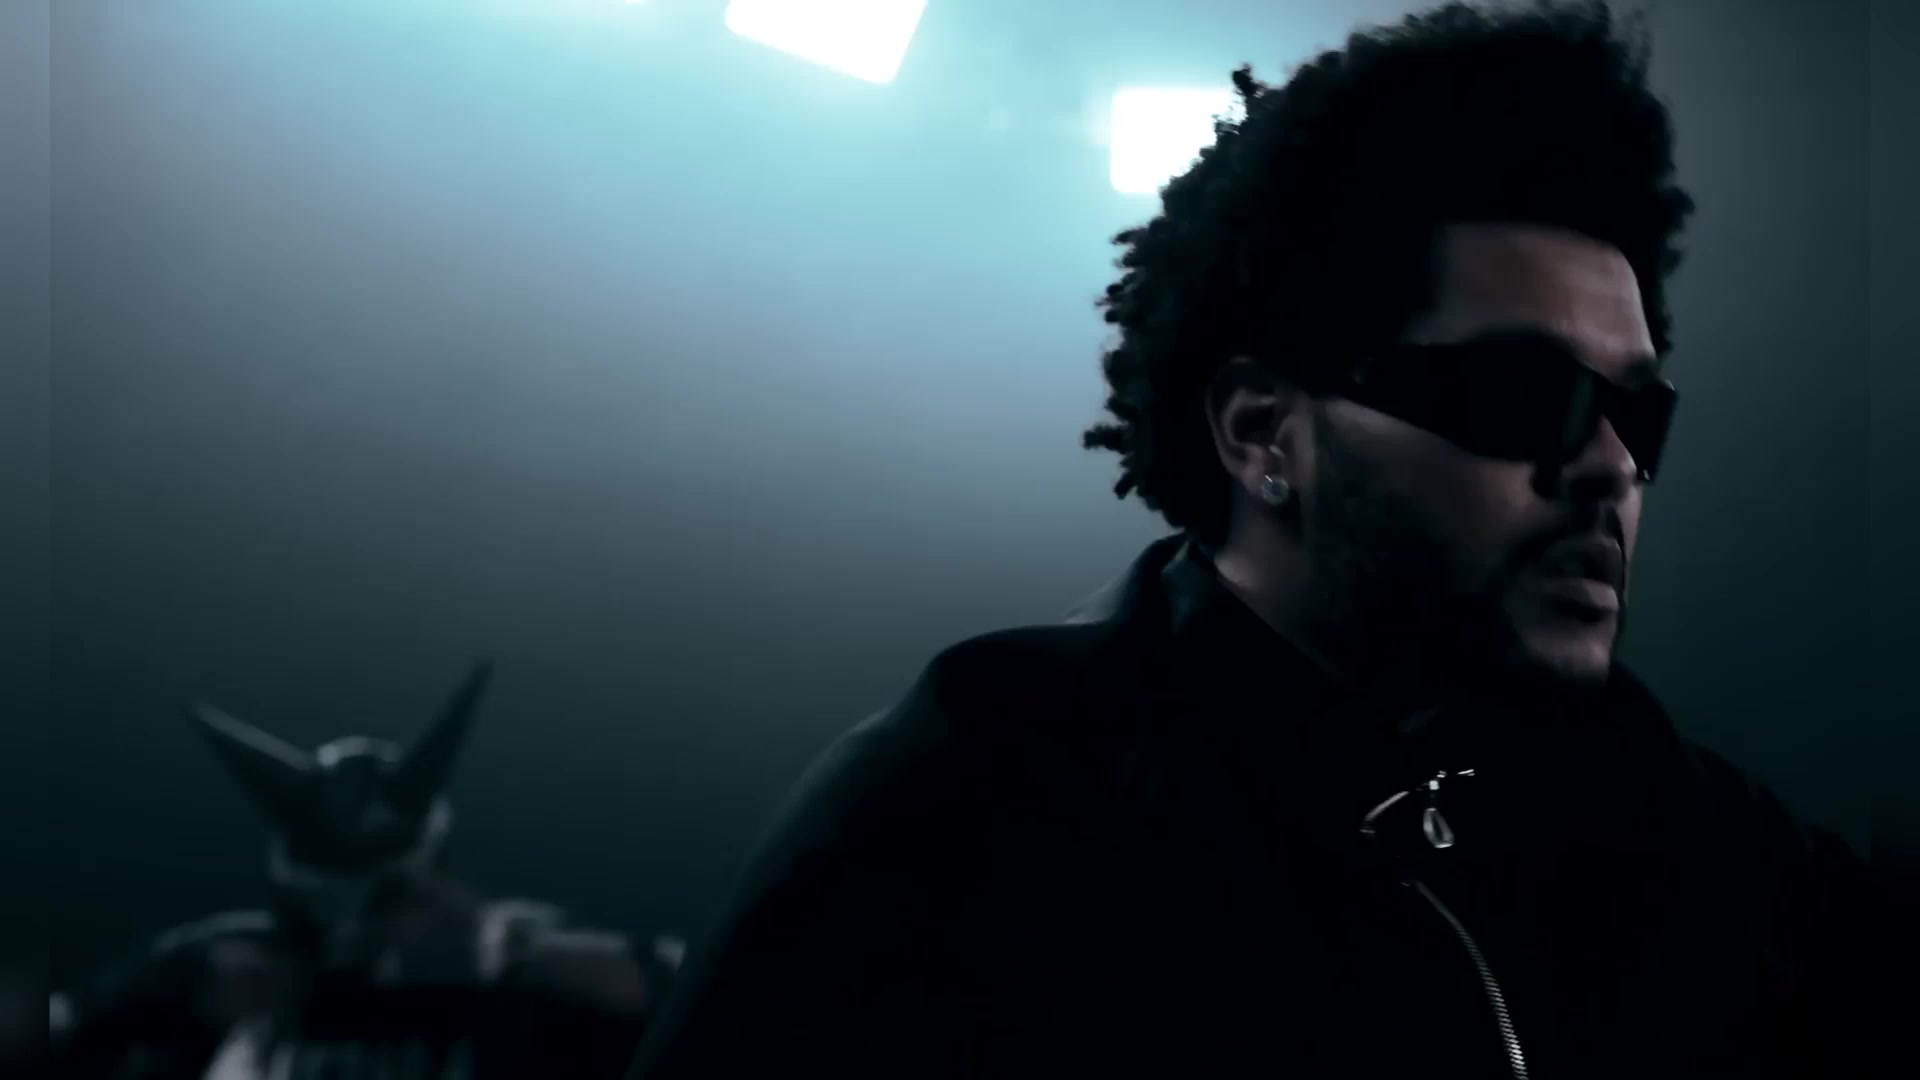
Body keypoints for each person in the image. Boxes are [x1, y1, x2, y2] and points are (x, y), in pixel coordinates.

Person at [629, 3, 1873, 1077]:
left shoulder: (1673, 824)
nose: (1610, 465)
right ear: (1261, 432)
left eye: (1636, 414)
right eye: (1523, 395)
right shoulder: (976, 822)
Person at [52, 664, 683, 1080]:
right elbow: (64, 1030)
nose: (354, 925)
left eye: (380, 896)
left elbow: (683, 985)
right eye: (331, 895)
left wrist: (511, 951)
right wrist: (182, 988)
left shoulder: (503, 957)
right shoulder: (234, 962)